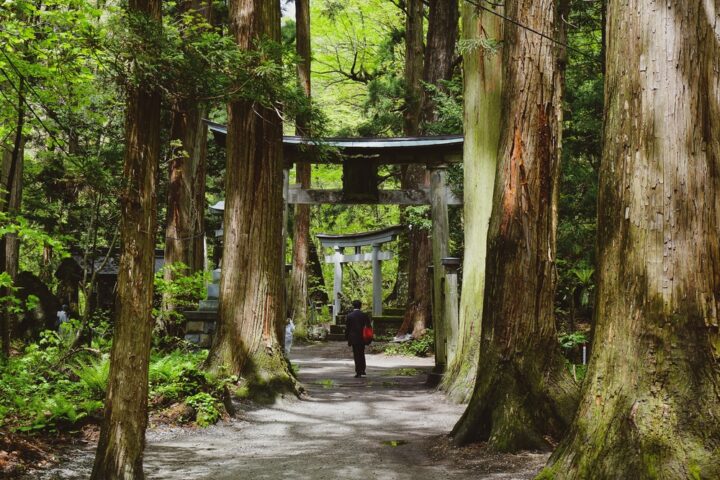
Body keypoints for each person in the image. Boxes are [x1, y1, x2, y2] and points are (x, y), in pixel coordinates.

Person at [345, 299, 370, 378]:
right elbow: (368, 326)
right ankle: (363, 369)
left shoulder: (349, 316)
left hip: (354, 337)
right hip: (362, 337)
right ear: (360, 306)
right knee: (362, 353)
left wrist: (347, 337)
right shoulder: (364, 315)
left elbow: (347, 328)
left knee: (356, 354)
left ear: (353, 306)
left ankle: (358, 371)